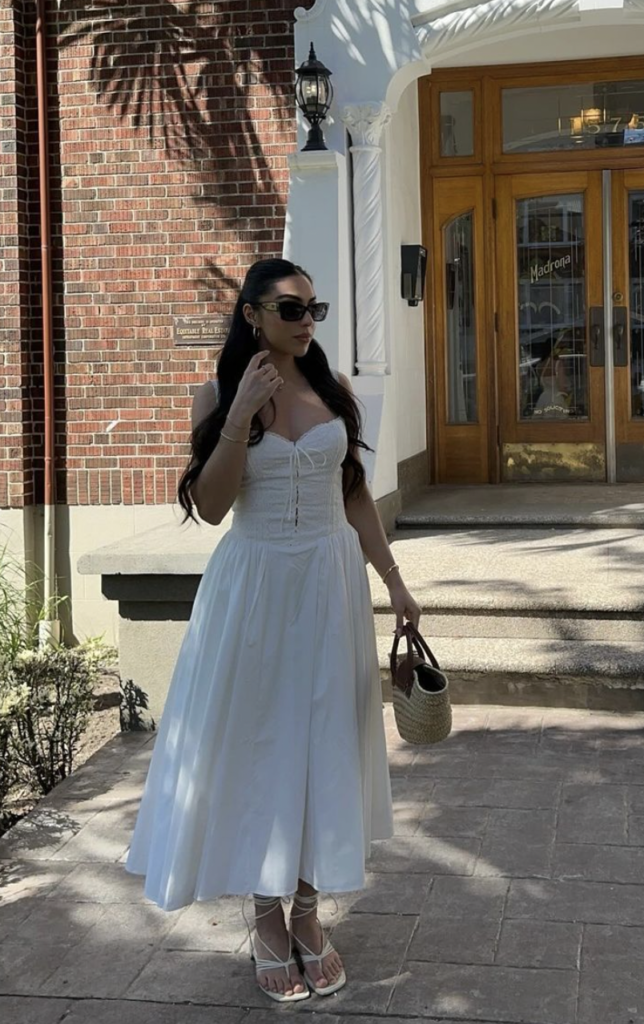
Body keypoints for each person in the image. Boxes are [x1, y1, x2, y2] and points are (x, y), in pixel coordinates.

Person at [124, 258, 421, 1003]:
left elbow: (353, 497)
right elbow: (215, 506)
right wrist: (235, 419)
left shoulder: (334, 391)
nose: (307, 320)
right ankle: (264, 914)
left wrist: (395, 584)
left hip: (328, 583)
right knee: (260, 743)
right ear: (252, 314)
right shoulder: (218, 394)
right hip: (253, 586)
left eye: (313, 307)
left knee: (324, 742)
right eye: (291, 308)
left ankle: (312, 912)